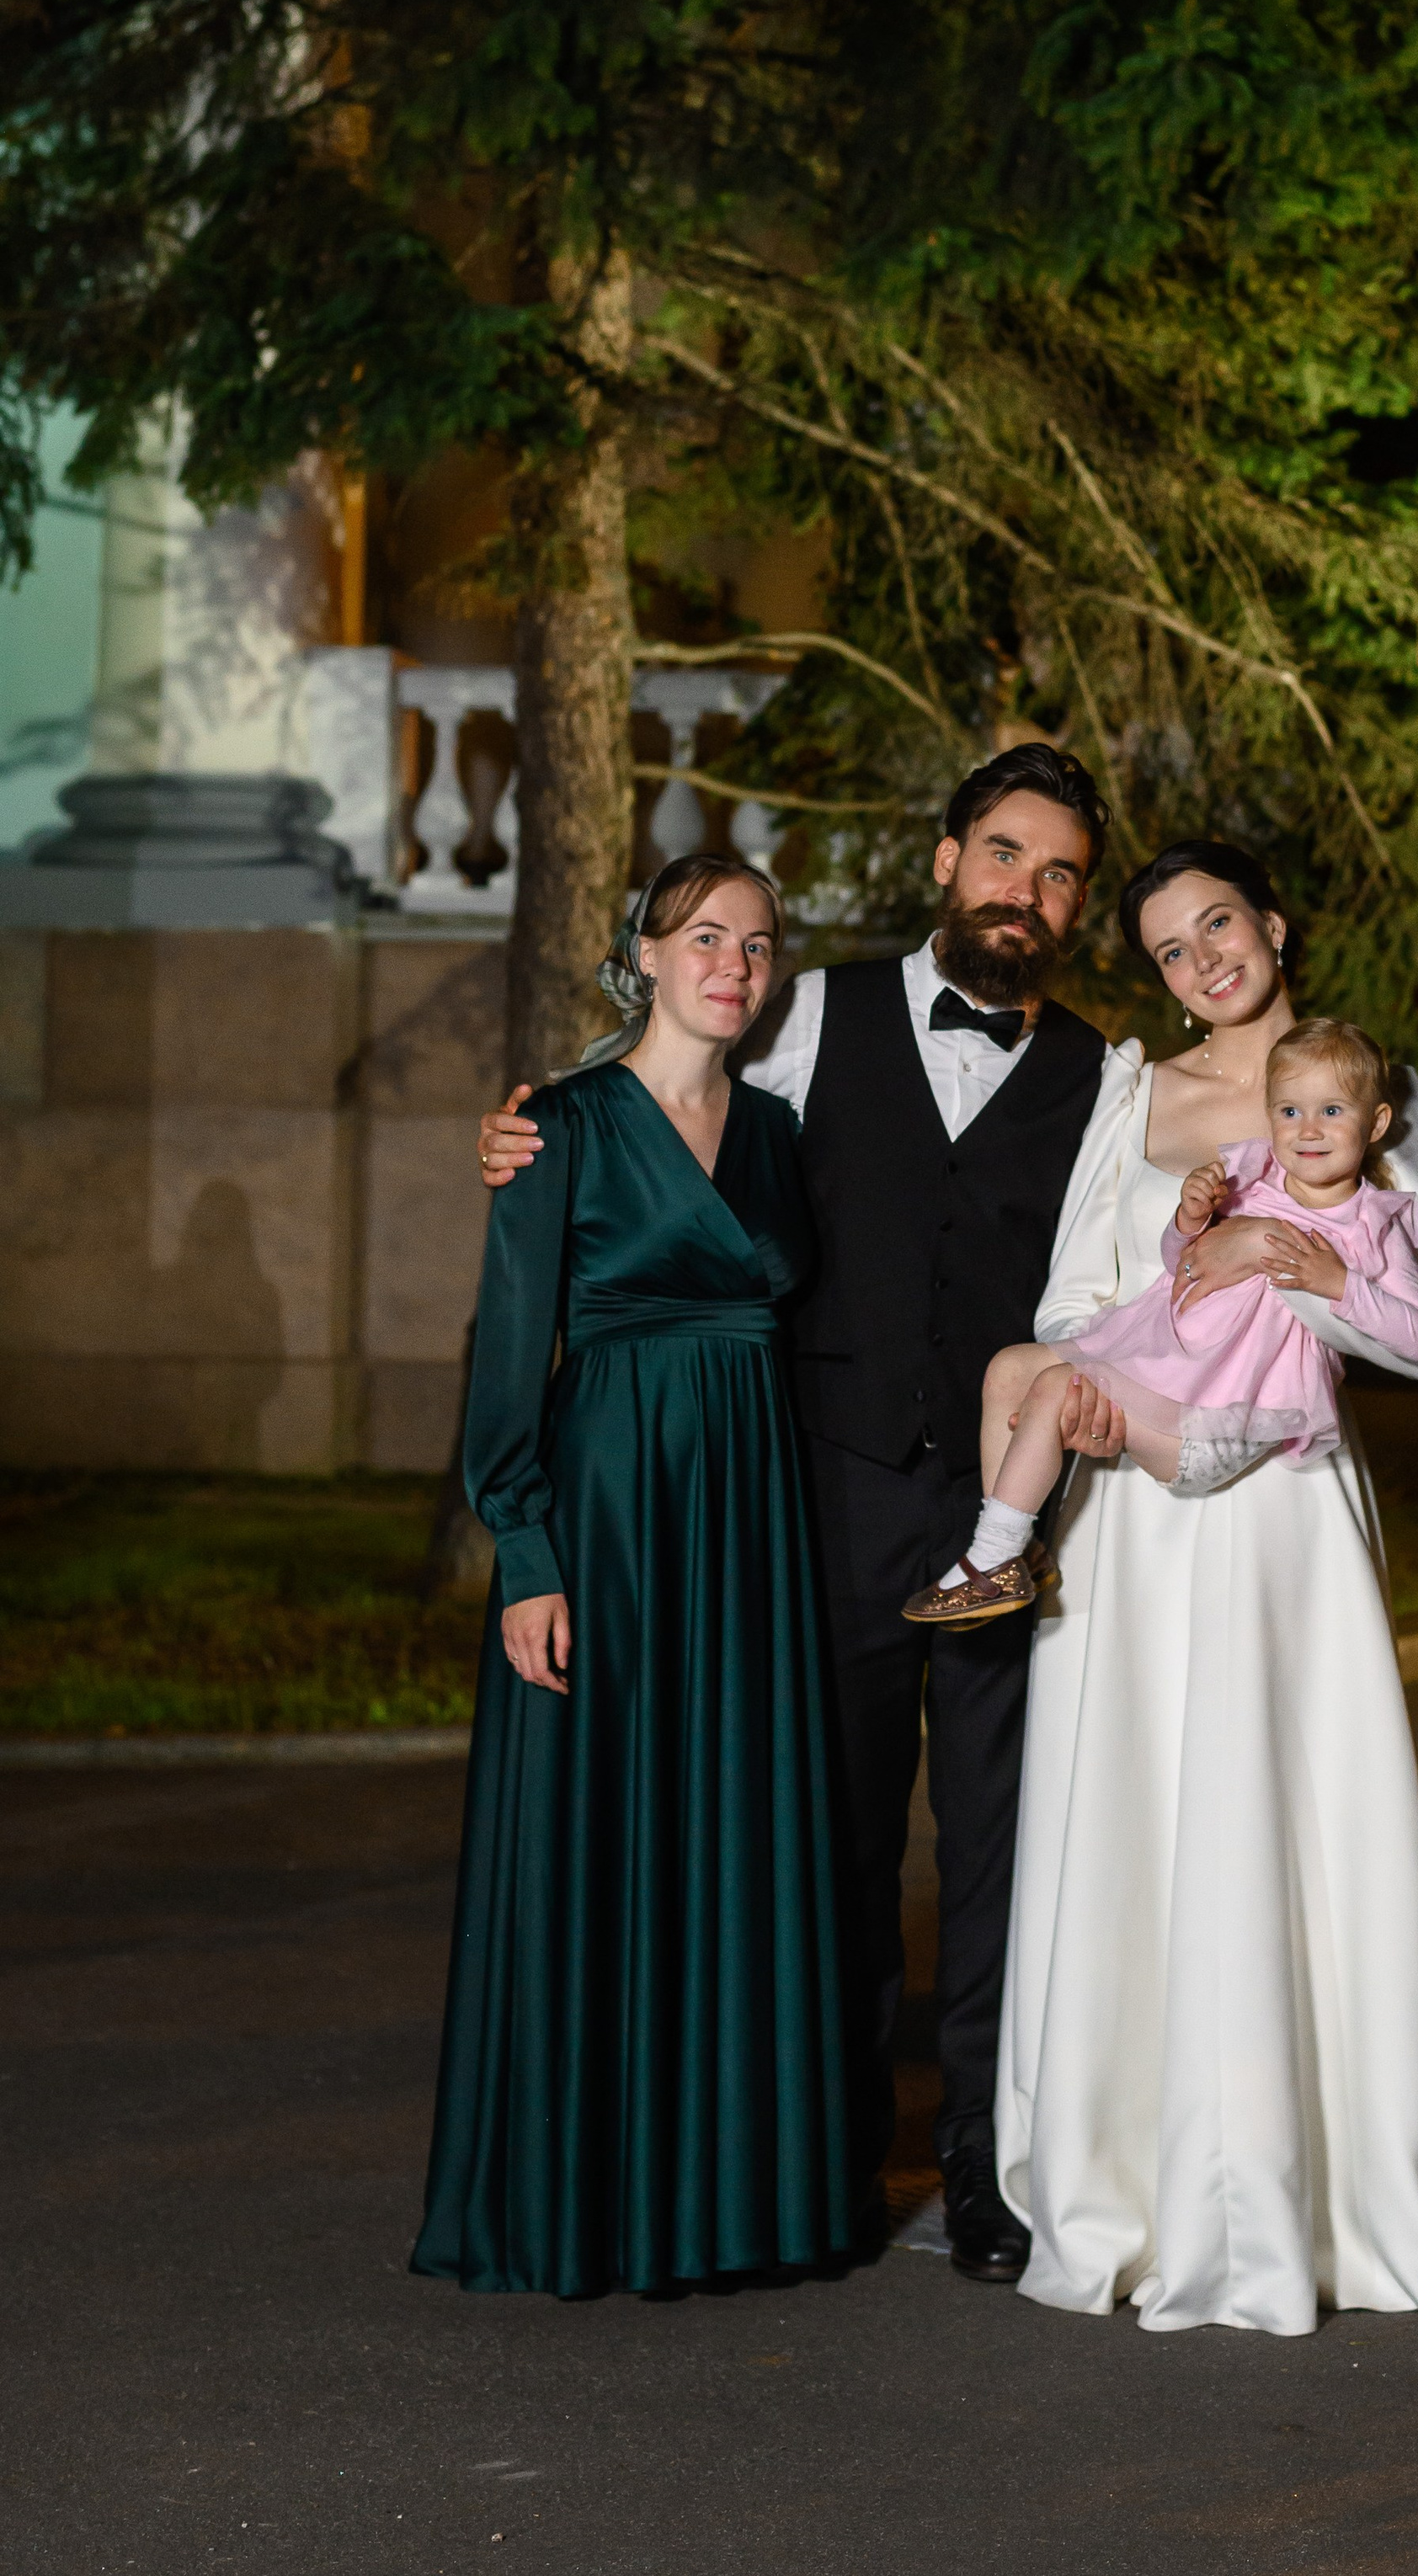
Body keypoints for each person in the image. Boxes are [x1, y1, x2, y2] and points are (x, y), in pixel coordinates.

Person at [477, 745, 1126, 2284]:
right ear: (950, 855)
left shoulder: (1109, 1071)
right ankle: (827, 2157)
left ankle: (982, 2165)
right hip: (815, 1499)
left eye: (1058, 874)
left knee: (996, 1853)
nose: (1024, 891)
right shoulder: (814, 1006)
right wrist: (530, 1131)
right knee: (823, 1845)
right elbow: (663, 1086)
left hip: (1001, 1516)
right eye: (1004, 855)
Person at [996, 843, 1418, 2335]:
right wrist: (1161, 1299)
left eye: (1218, 922)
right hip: (1137, 1510)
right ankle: (1129, 2185)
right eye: (1166, 946)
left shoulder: (1362, 1087)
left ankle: (1338, 2195)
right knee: (1145, 1818)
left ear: (1273, 924)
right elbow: (1068, 1308)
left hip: (1284, 1499)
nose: (1201, 958)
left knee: (1298, 1813)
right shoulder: (1128, 1100)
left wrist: (1293, 1261)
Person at [414, 856, 852, 2297]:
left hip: (748, 1511)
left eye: (758, 943)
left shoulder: (779, 1131)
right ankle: (584, 2197)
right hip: (606, 1503)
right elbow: (508, 1350)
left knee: (731, 1824)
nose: (735, 960)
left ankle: (728, 2203)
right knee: (599, 1828)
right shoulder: (558, 1122)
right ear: (645, 957)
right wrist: (524, 1551)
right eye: (705, 936)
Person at [909, 1016, 1418, 1622]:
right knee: (1009, 1368)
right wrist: (1189, 1222)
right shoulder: (1254, 1182)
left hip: (1225, 1414)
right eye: (1290, 1112)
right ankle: (1019, 1554)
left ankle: (988, 1560)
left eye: (1332, 1112)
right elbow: (1185, 1272)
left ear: (1375, 1124)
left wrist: (1337, 1283)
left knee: (1056, 1388)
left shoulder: (1375, 1221)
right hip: (1167, 1357)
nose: (1308, 1131)